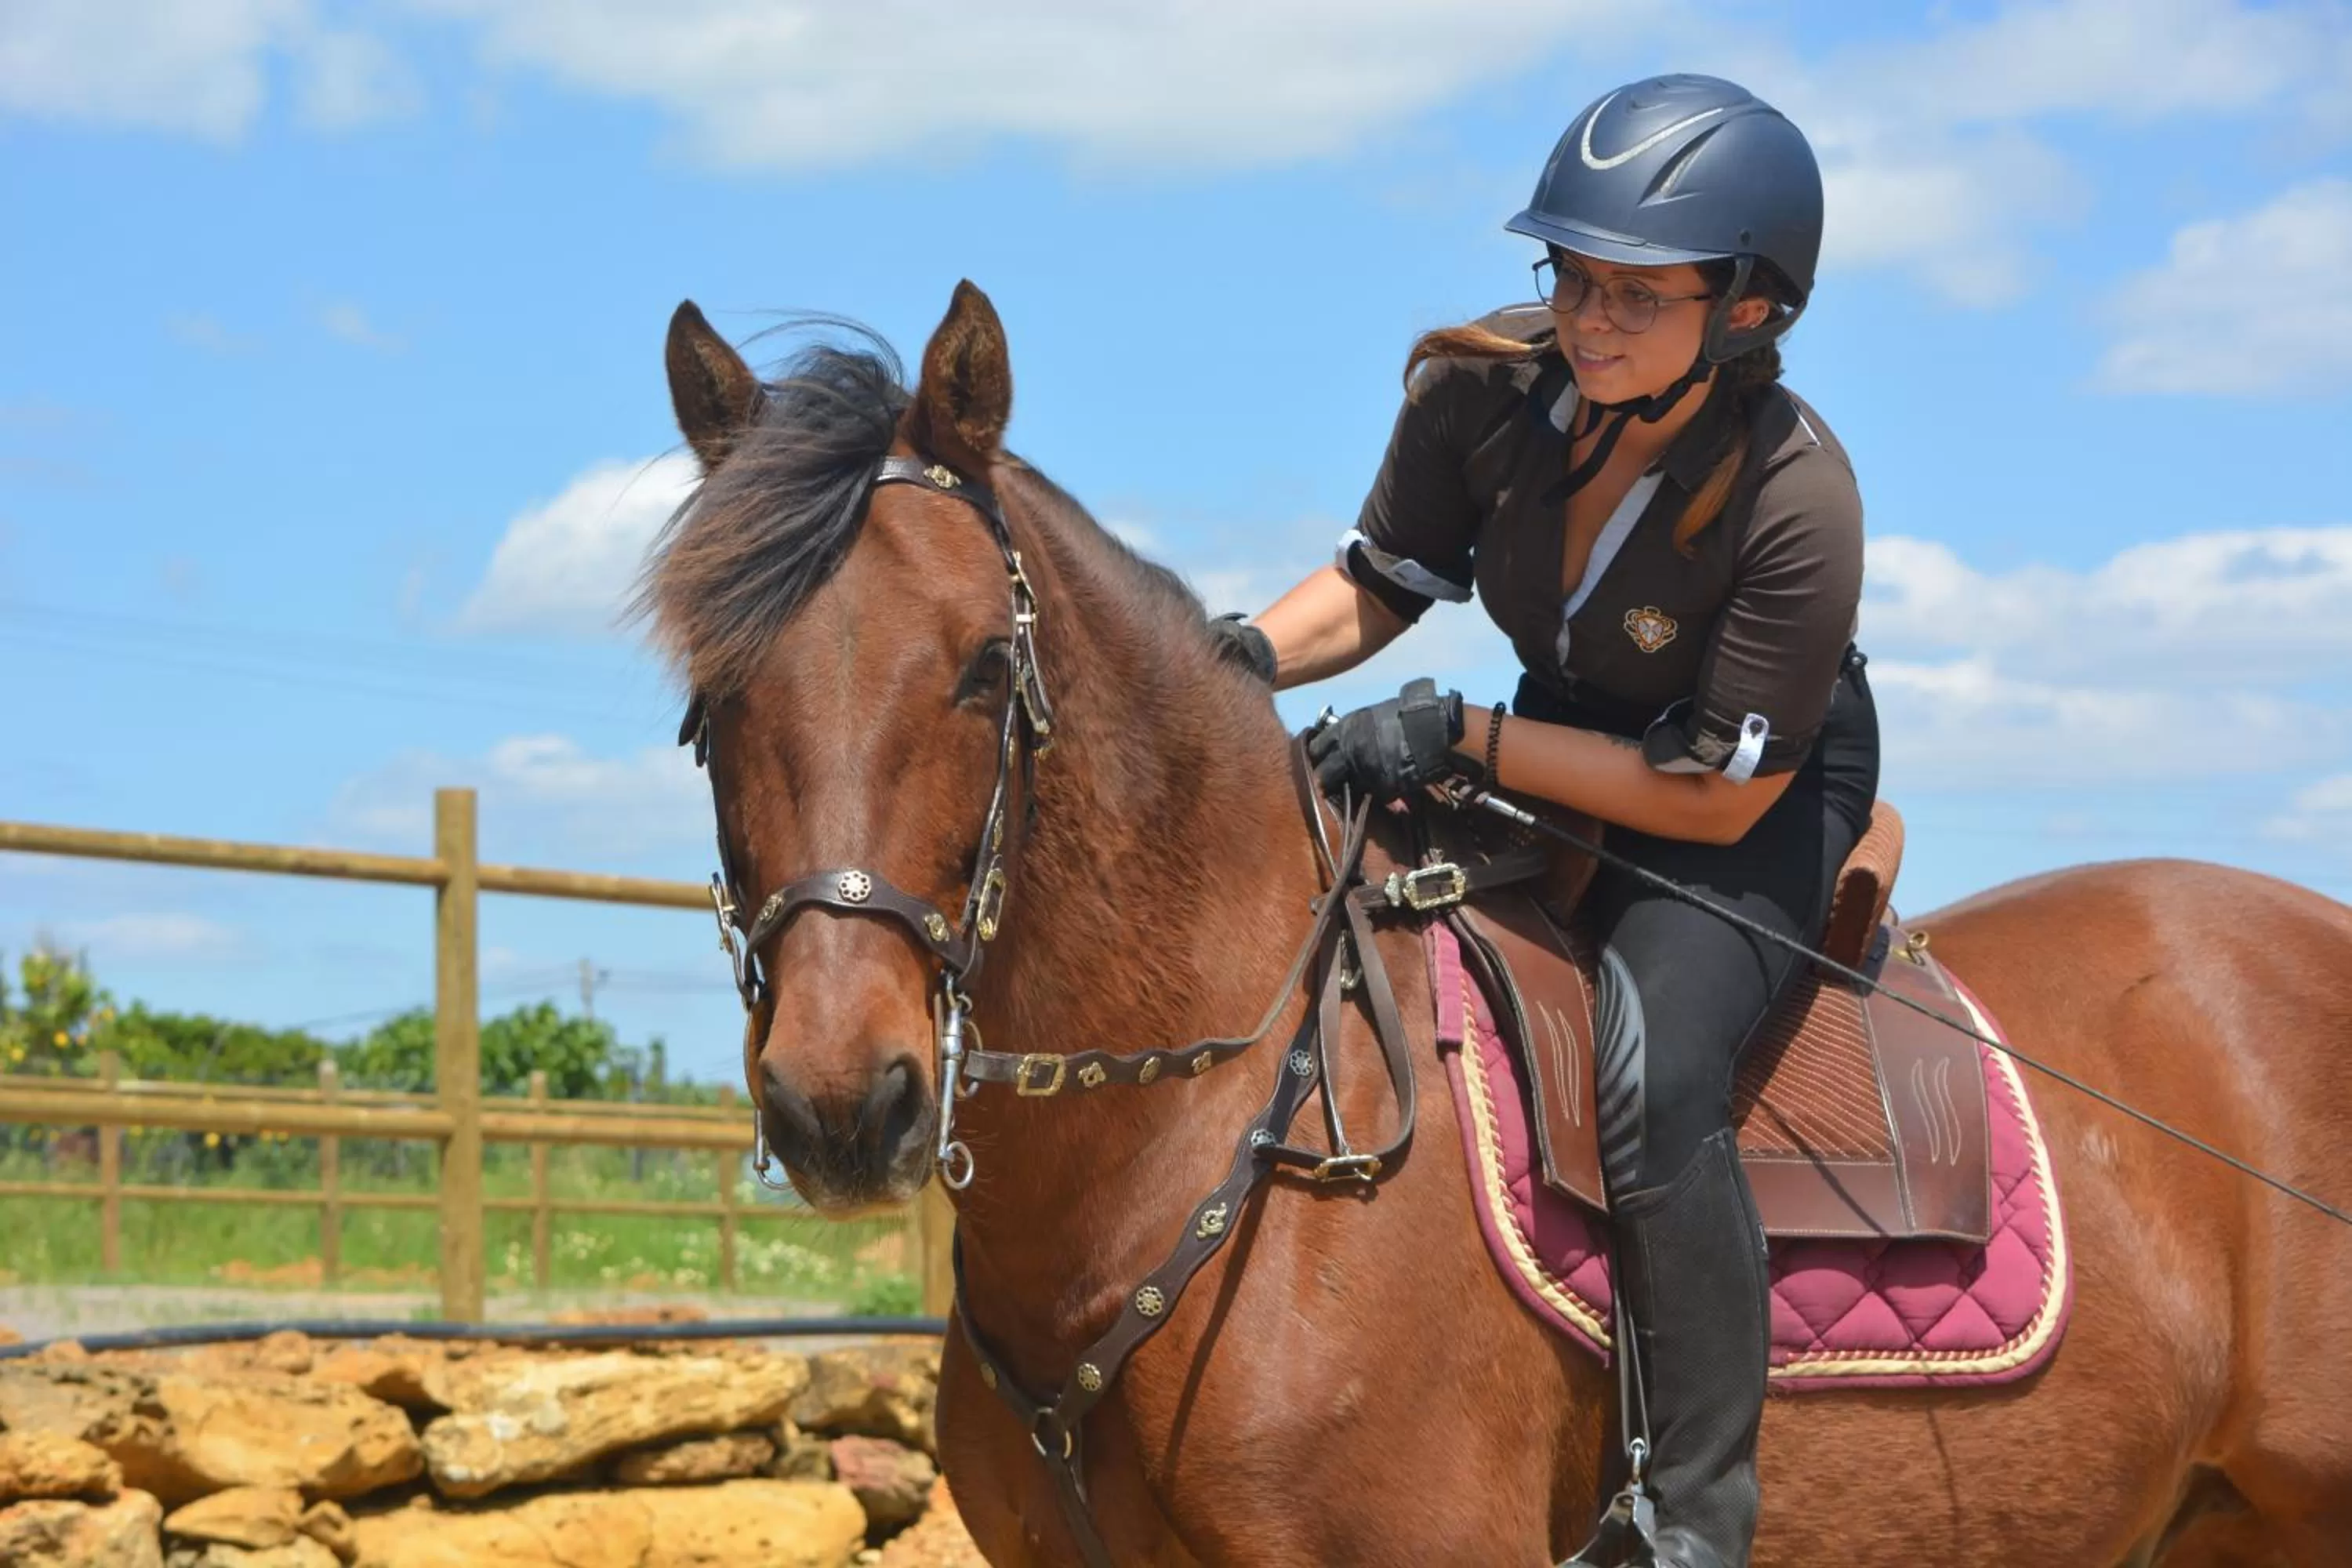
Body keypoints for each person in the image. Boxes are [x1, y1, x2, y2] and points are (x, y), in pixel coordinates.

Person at [1210, 74, 1878, 1568]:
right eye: (1572, 277)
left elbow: (1713, 790)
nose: (1588, 319)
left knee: (1649, 1066)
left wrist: (1463, 734)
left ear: (1753, 309)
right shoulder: (1481, 390)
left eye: (1638, 294)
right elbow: (1383, 579)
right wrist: (1233, 663)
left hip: (1748, 792)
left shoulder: (1800, 497)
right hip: (1559, 736)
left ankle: (1695, 1510)